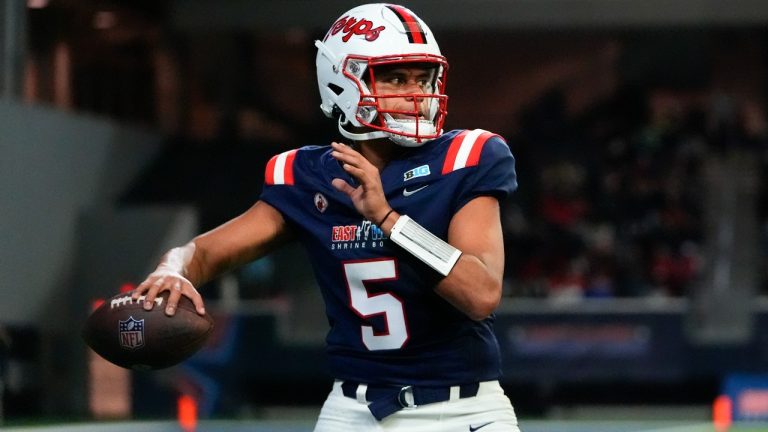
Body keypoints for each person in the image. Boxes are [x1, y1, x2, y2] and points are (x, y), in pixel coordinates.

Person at [133, 3, 521, 431]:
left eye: (422, 77)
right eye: (394, 77)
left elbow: (481, 293)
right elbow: (204, 253)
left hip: (461, 407)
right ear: (342, 83)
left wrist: (389, 220)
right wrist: (175, 267)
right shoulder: (305, 175)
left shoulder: (468, 157)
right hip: (354, 408)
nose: (415, 92)